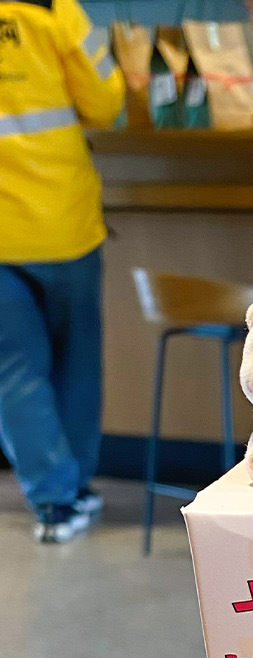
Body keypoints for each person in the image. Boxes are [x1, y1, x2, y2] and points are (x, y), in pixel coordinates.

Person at [0, 0, 124, 543]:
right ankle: (74, 486)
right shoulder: (54, 10)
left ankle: (54, 501)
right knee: (76, 361)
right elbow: (106, 103)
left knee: (13, 372)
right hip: (61, 223)